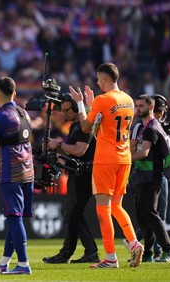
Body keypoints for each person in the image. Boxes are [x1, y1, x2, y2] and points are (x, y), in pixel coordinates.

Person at [69, 62, 143, 269]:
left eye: (98, 78)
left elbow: (85, 127)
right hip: (124, 157)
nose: (97, 82)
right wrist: (94, 106)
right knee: (117, 206)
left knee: (103, 209)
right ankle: (134, 242)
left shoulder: (103, 100)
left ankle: (111, 257)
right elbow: (107, 121)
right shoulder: (128, 100)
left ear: (104, 79)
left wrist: (82, 104)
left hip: (106, 158)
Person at [0, 77, 34, 275]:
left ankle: (24, 264)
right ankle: (4, 262)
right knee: (15, 218)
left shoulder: (2, 116)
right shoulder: (23, 113)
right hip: (28, 171)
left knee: (13, 217)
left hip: (11, 172)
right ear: (15, 92)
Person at [42, 94, 99, 264]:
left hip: (85, 174)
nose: (65, 113)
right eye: (63, 110)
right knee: (73, 214)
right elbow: (71, 150)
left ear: (76, 108)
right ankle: (73, 252)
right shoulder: (75, 126)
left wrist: (58, 145)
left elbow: (80, 150)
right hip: (76, 173)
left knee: (72, 213)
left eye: (68, 110)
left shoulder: (84, 126)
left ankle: (84, 252)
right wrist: (55, 148)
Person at [131, 95, 170, 263]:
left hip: (152, 176)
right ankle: (148, 254)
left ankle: (169, 250)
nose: (138, 108)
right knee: (143, 215)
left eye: (141, 105)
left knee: (151, 213)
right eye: (137, 105)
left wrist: (124, 159)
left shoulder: (151, 128)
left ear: (151, 108)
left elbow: (143, 153)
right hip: (143, 175)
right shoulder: (146, 126)